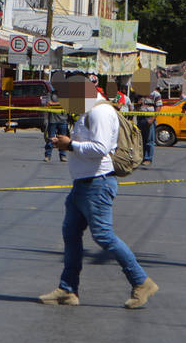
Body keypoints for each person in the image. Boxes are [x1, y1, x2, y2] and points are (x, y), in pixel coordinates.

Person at [39, 74, 159, 310]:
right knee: (71, 233)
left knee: (103, 235)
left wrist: (70, 145)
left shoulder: (100, 112)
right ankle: (68, 289)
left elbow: (101, 148)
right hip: (83, 184)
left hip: (97, 184)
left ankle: (141, 281)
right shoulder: (88, 111)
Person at [136, 87, 160, 166]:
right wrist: (138, 104)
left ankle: (148, 158)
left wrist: (152, 119)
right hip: (140, 118)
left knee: (149, 140)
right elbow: (135, 106)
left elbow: (158, 107)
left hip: (149, 118)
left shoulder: (155, 94)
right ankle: (140, 157)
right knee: (140, 139)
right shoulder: (139, 93)